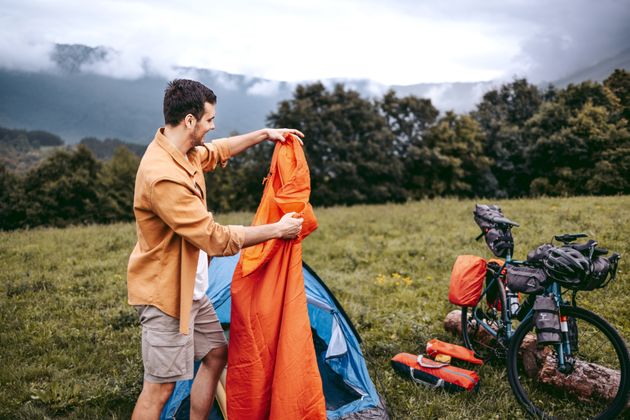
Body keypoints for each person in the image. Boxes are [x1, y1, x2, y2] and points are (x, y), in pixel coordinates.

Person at [127, 79, 304, 420]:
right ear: (190, 121)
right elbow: (214, 238)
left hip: (192, 291)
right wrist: (277, 230)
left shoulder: (182, 152)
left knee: (216, 354)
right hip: (166, 298)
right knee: (159, 389)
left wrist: (264, 134)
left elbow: (218, 150)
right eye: (209, 120)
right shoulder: (162, 176)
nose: (213, 126)